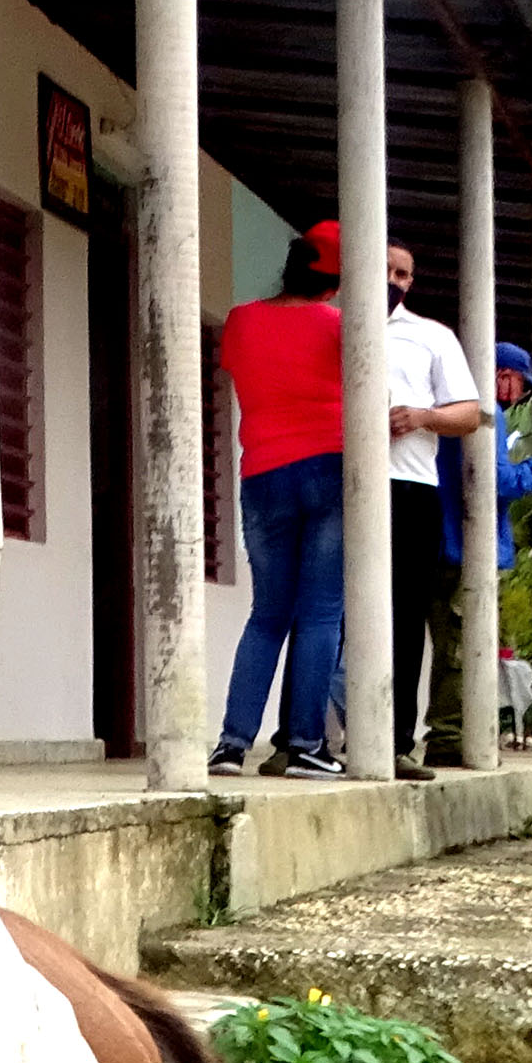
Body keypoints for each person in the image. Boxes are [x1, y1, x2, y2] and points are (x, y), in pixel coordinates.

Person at [211, 228, 349, 780]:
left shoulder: (242, 319)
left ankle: (230, 744)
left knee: (266, 615)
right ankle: (306, 744)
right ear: (336, 281)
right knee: (320, 613)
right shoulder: (340, 326)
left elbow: (242, 374)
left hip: (263, 473)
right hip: (330, 468)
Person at [379, 242, 486, 779]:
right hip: (339, 482)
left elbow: (469, 413)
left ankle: (397, 741)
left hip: (410, 487)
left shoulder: (431, 335)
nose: (396, 280)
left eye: (404, 273)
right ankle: (303, 739)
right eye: (387, 270)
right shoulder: (330, 322)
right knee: (329, 614)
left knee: (404, 617)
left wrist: (421, 415)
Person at [432, 340, 532, 750]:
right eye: (521, 384)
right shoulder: (488, 416)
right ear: (504, 377)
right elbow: (496, 482)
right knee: (462, 646)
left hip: (439, 540)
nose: (520, 395)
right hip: (464, 545)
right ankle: (451, 735)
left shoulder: (449, 407)